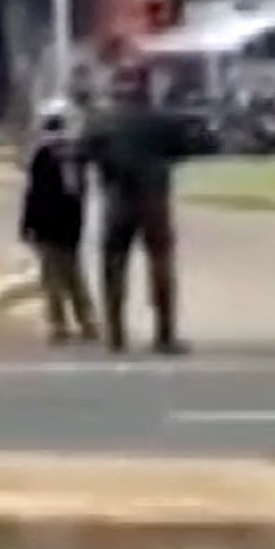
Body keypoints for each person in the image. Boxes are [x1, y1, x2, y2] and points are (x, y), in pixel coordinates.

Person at [86, 62, 190, 356]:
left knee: (113, 264)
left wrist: (106, 169)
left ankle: (115, 334)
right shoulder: (162, 119)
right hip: (153, 197)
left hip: (117, 195)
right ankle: (165, 333)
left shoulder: (101, 120)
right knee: (160, 263)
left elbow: (87, 152)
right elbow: (181, 149)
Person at [18, 99, 97, 344]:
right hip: (72, 222)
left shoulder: (43, 154)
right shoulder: (76, 153)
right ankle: (88, 321)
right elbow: (81, 191)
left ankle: (57, 323)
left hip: (47, 224)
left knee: (51, 276)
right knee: (74, 273)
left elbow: (34, 194)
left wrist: (26, 224)